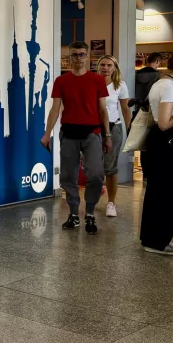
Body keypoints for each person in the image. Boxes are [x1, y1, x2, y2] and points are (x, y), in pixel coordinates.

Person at [41, 41, 112, 235]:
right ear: (69, 57)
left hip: (92, 133)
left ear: (88, 57)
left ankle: (89, 212)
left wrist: (107, 135)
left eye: (81, 54)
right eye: (74, 55)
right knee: (67, 176)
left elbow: (102, 109)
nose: (78, 58)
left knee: (96, 175)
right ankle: (73, 214)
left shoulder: (97, 80)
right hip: (69, 133)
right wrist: (47, 134)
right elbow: (55, 109)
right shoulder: (61, 81)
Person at [139, 49, 173, 256]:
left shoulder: (160, 83)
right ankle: (158, 241)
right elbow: (164, 123)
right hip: (166, 145)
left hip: (158, 145)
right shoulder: (169, 88)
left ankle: (154, 238)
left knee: (158, 193)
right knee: (168, 194)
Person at [97, 55, 130, 218]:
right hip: (94, 127)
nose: (105, 68)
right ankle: (94, 196)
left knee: (111, 167)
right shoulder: (92, 82)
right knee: (93, 166)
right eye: (102, 65)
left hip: (113, 126)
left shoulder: (120, 85)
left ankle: (111, 202)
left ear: (114, 67)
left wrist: (130, 129)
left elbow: (125, 109)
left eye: (109, 65)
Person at [132, 52, 161, 180]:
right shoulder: (157, 76)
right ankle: (152, 173)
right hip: (152, 112)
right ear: (157, 61)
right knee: (152, 144)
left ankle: (144, 174)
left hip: (138, 111)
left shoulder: (136, 74)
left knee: (142, 145)